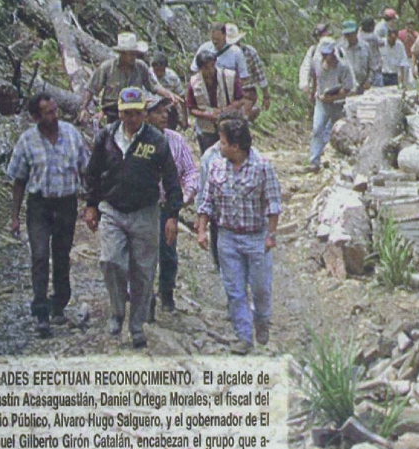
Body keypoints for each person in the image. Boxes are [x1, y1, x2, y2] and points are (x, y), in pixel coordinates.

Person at [83, 87, 182, 349]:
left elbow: (172, 180)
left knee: (142, 271)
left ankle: (137, 325)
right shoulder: (106, 137)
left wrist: (172, 215)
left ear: (144, 113)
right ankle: (117, 310)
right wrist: (90, 205)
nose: (132, 119)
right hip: (113, 209)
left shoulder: (156, 141)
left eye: (137, 114)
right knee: (110, 260)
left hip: (145, 212)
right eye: (127, 114)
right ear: (119, 113)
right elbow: (92, 173)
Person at [7, 93, 90, 337]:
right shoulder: (27, 141)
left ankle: (59, 303)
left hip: (66, 203)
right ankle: (40, 310)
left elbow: (86, 168)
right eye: (49, 113)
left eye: (55, 110)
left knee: (62, 255)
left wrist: (91, 202)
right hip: (39, 206)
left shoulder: (72, 134)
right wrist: (14, 216)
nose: (54, 116)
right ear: (36, 117)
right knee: (40, 256)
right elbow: (19, 179)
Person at [196, 117, 281, 355]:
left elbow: (273, 203)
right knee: (234, 290)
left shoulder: (262, 166)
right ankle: (243, 336)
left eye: (223, 142)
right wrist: (202, 230)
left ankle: (261, 319)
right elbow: (207, 202)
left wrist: (271, 235)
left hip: (256, 236)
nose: (218, 146)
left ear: (236, 146)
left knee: (260, 288)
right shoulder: (216, 166)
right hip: (227, 237)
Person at [146, 94, 199, 314]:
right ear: (146, 116)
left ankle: (167, 294)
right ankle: (145, 298)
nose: (164, 116)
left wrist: (186, 194)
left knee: (167, 252)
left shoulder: (176, 140)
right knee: (143, 253)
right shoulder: (139, 140)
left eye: (166, 111)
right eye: (158, 112)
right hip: (144, 205)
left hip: (168, 205)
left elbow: (190, 171)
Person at [80, 32, 180, 125]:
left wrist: (169, 95)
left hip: (135, 111)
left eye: (135, 54)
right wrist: (84, 108)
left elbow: (154, 86)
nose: (133, 57)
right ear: (122, 53)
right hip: (112, 112)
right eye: (130, 54)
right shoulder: (107, 67)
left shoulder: (141, 67)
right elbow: (91, 88)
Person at [186, 49, 250, 153]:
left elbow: (241, 99)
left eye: (212, 66)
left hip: (230, 124)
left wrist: (224, 111)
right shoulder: (194, 82)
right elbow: (191, 108)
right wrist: (208, 115)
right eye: (206, 68)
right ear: (200, 69)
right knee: (208, 156)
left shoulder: (229, 76)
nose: (210, 70)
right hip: (206, 128)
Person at [307, 37, 355, 171]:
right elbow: (315, 76)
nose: (324, 57)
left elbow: (347, 89)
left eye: (327, 54)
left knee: (338, 132)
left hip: (338, 103)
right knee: (317, 128)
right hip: (321, 101)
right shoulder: (316, 61)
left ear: (333, 53)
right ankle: (314, 161)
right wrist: (313, 92)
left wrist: (334, 97)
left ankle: (335, 159)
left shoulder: (343, 66)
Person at [228, 23, 271, 120]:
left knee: (241, 117)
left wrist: (266, 95)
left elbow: (260, 75)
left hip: (246, 91)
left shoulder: (250, 52)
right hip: (227, 92)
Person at [337, 19, 377, 94]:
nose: (349, 37)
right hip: (346, 88)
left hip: (363, 87)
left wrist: (369, 81)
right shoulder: (340, 49)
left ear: (356, 32)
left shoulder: (365, 46)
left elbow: (372, 67)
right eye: (347, 34)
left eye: (351, 34)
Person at [150, 51, 186, 129]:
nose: (159, 73)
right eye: (156, 70)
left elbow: (181, 97)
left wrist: (183, 118)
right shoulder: (147, 75)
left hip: (170, 111)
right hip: (151, 111)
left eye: (161, 70)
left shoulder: (172, 77)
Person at [298, 22, 330, 98]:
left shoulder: (335, 47)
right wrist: (304, 84)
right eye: (323, 33)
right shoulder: (313, 50)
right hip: (318, 90)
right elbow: (305, 67)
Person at [379, 18, 411, 87]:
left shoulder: (399, 45)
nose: (392, 41)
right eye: (390, 38)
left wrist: (402, 79)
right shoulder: (381, 44)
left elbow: (403, 61)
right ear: (387, 36)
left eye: (394, 39)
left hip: (394, 75)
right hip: (382, 74)